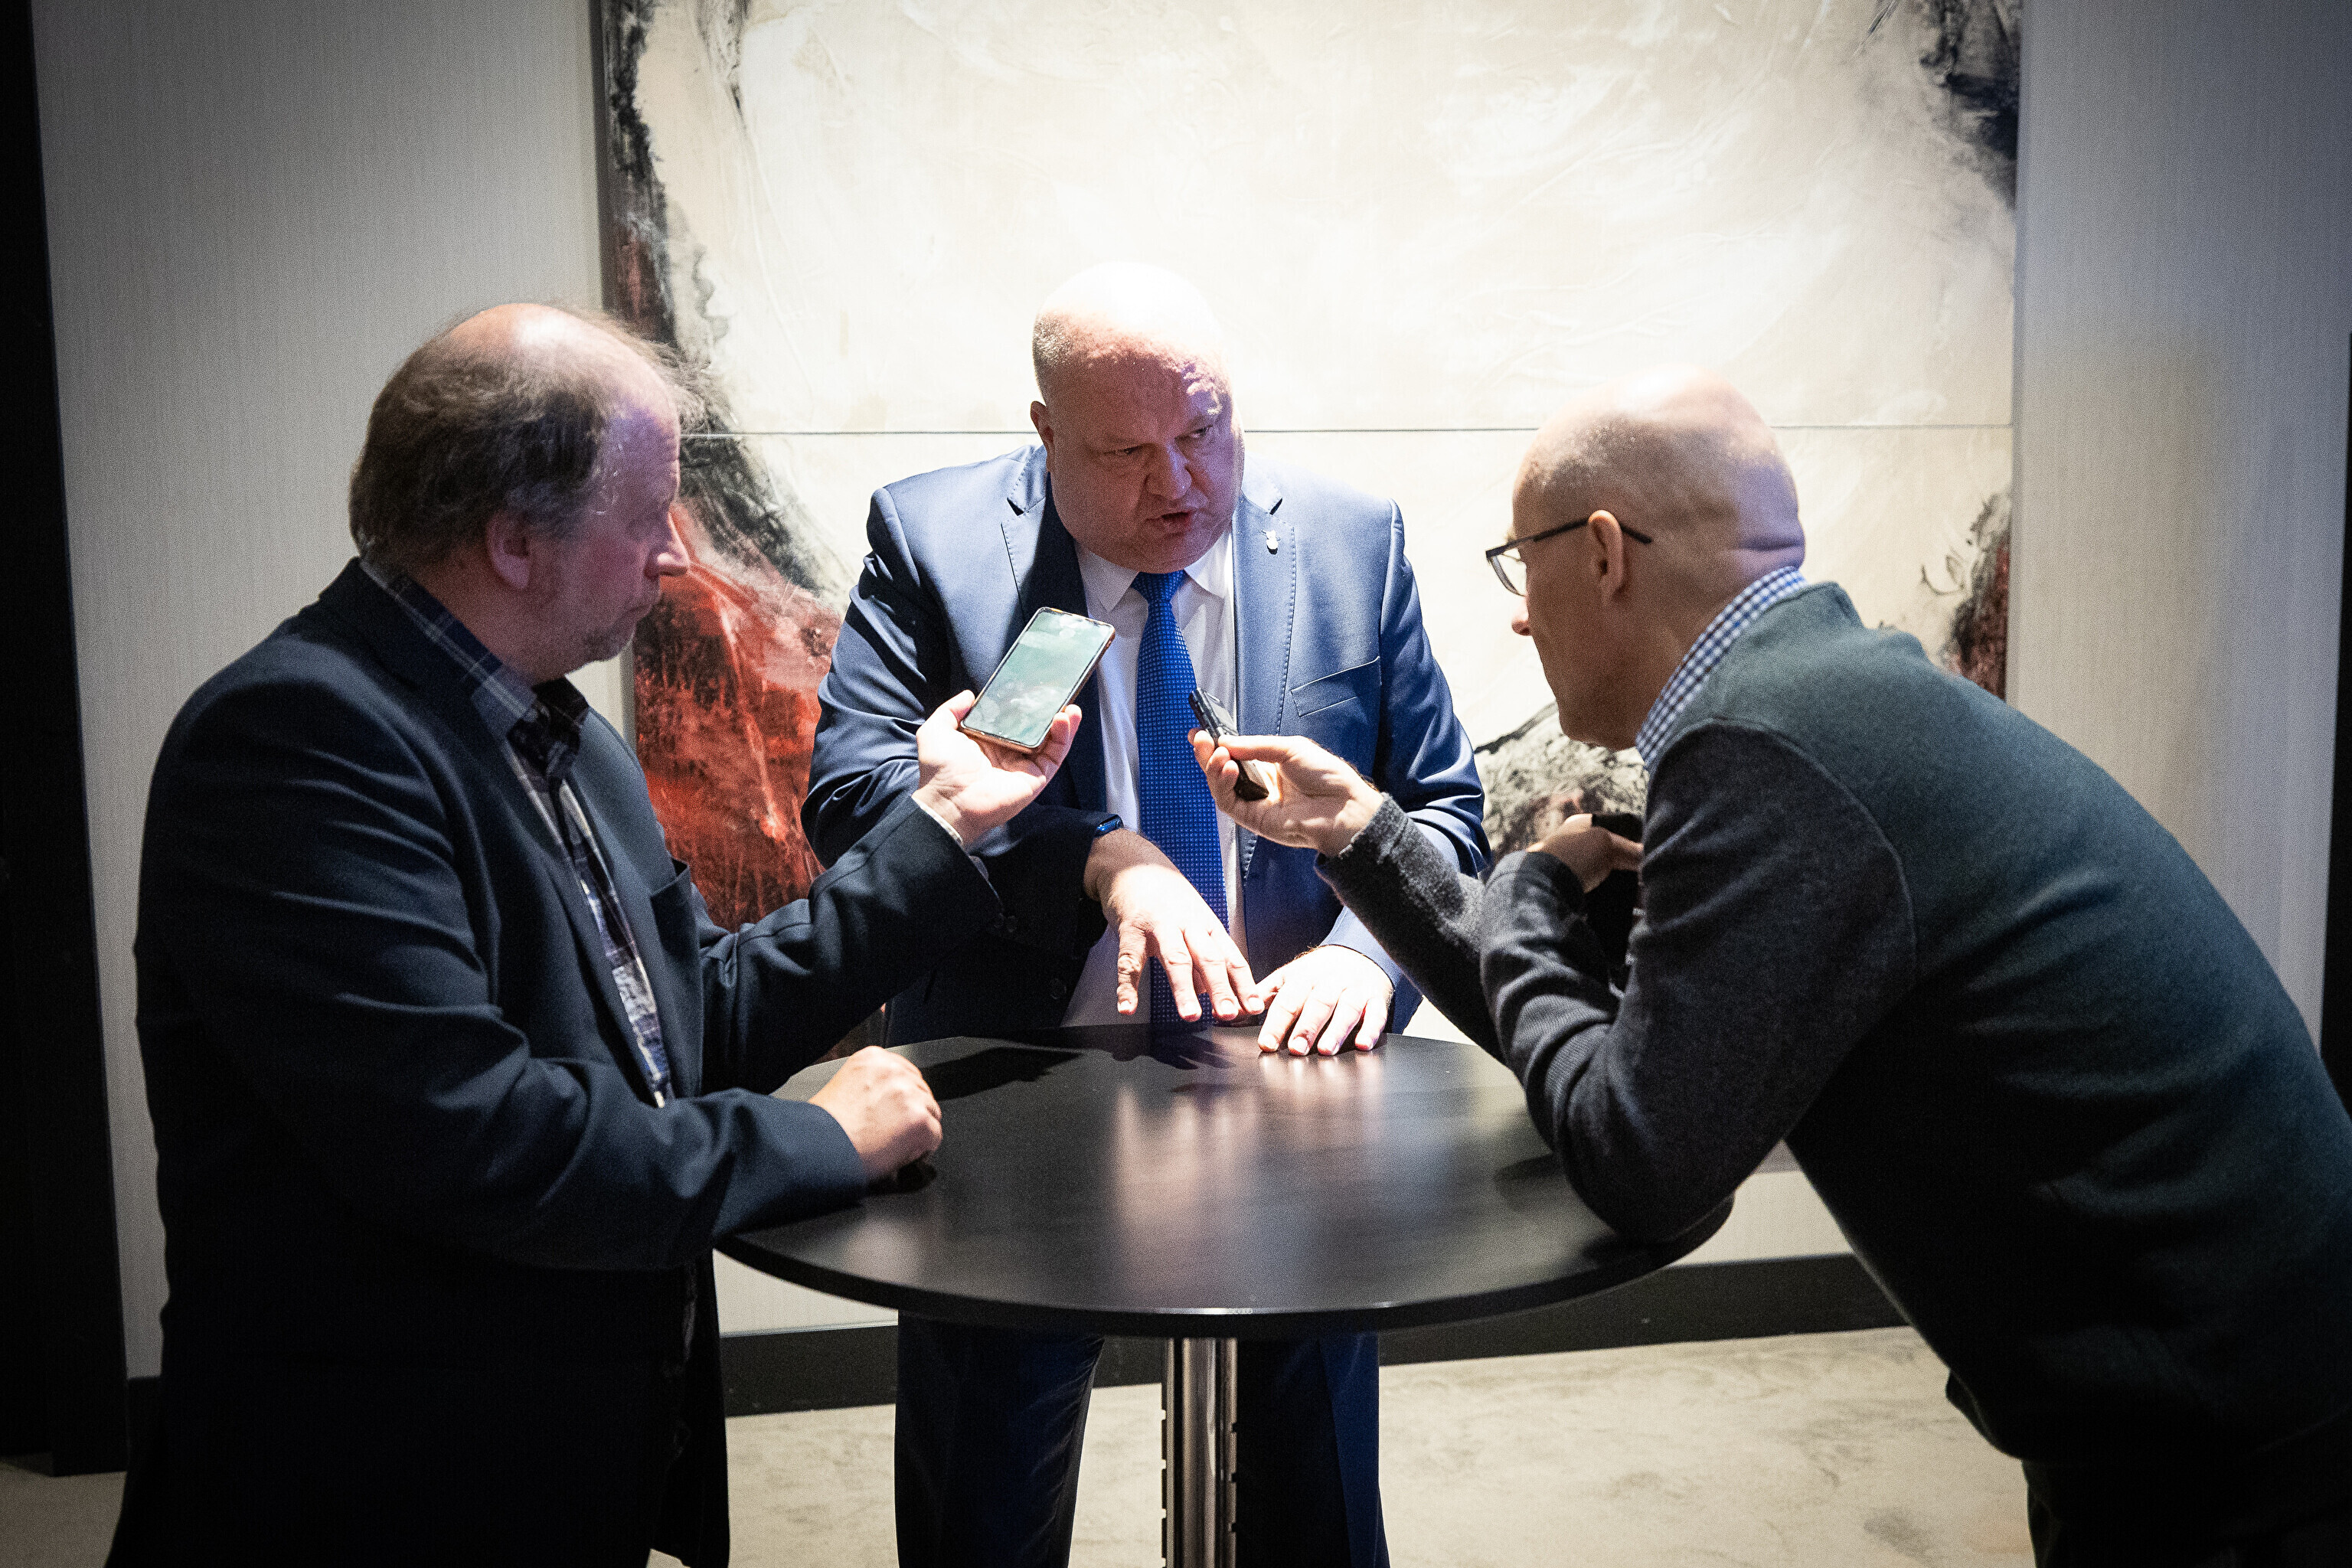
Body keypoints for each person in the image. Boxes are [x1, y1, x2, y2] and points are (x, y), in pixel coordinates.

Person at [1197, 364, 2352, 1568]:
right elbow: (1617, 1049)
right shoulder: (1821, 697)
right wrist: (1358, 831)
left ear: (1604, 553)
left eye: (1520, 564)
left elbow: (1641, 1157)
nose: (1522, 616)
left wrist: (1534, 887)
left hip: (2235, 1460)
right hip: (2230, 1395)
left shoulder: (1763, 746)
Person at [114, 304, 1082, 1568]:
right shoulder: (298, 742)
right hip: (381, 1488)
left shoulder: (555, 728)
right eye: (651, 514)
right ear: (515, 540)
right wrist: (815, 1139)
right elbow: (475, 1134)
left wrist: (945, 820)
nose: (677, 555)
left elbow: (690, 1022)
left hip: (556, 1452)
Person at [804, 263, 1486, 1566]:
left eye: (1205, 431)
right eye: (1125, 452)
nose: (1178, 483)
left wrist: (1364, 954)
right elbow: (853, 797)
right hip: (1009, 1085)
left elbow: (1444, 810)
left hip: (1297, 1088)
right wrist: (1096, 858)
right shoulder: (935, 540)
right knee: (982, 1507)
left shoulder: (1351, 540)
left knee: (1318, 1503)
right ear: (1045, 432)